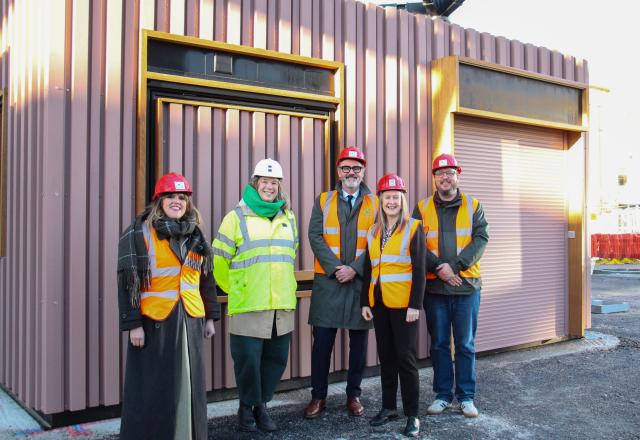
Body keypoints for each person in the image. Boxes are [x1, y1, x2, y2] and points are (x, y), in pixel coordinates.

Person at [117, 172, 219, 440]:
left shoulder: (196, 234)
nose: (177, 201)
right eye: (170, 196)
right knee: (153, 390)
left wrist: (210, 317)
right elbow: (128, 282)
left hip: (190, 320)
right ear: (158, 201)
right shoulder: (139, 232)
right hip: (155, 324)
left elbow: (206, 278)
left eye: (182, 197)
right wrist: (133, 325)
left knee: (190, 386)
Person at [212, 158, 298, 433]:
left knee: (275, 361)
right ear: (255, 183)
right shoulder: (235, 217)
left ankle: (261, 405)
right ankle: (247, 407)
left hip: (281, 303)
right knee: (248, 361)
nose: (269, 187)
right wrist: (237, 289)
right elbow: (218, 261)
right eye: (265, 182)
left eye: (274, 183)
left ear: (279, 186)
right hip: (249, 304)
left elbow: (290, 255)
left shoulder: (289, 217)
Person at [413, 153, 489, 418]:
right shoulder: (422, 208)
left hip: (467, 287)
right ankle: (443, 395)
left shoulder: (473, 205)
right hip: (435, 289)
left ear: (457, 175)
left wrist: (454, 267)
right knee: (439, 344)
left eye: (450, 172)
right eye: (439, 173)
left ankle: (466, 397)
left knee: (466, 344)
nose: (445, 177)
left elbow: (481, 239)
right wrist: (438, 268)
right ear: (434, 178)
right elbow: (416, 244)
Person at [304, 146, 378, 419]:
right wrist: (337, 268)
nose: (351, 172)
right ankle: (318, 396)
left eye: (356, 168)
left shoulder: (376, 203)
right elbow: (315, 236)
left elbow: (379, 241)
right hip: (329, 282)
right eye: (346, 167)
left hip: (359, 284)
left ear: (363, 171)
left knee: (358, 344)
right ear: (338, 171)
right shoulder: (323, 200)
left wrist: (356, 269)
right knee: (322, 343)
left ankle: (354, 395)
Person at [361, 174, 426, 438]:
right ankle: (389, 408)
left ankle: (412, 415)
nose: (391, 202)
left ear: (402, 200)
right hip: (379, 305)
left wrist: (415, 305)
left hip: (403, 306)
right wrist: (365, 301)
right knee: (386, 358)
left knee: (406, 360)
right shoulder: (374, 230)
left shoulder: (413, 227)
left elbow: (420, 269)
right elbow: (369, 268)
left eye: (395, 197)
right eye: (386, 197)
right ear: (380, 200)